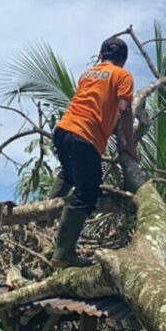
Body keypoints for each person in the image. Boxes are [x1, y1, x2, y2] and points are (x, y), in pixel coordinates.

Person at [50, 37, 137, 267]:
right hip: (85, 136)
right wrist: (130, 144)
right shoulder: (123, 76)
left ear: (100, 55)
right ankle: (63, 253)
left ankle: (43, 218)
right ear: (124, 60)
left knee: (69, 175)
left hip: (62, 131)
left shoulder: (87, 74)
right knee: (87, 192)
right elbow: (125, 109)